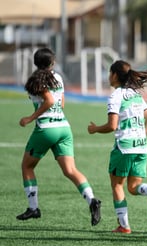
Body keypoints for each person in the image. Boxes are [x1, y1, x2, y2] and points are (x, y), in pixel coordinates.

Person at [17, 47, 101, 226]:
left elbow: (49, 100)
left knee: (27, 166)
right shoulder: (58, 78)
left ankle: (33, 208)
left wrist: (30, 118)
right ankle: (92, 200)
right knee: (70, 170)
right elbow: (61, 103)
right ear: (52, 63)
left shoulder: (35, 81)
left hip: (46, 128)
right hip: (64, 128)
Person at [87, 60, 147, 234]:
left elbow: (112, 126)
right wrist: (140, 136)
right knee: (133, 187)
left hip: (124, 147)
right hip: (141, 147)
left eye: (110, 73)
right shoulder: (135, 94)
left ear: (115, 75)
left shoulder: (116, 96)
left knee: (117, 185)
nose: (109, 77)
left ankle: (124, 226)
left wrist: (95, 129)